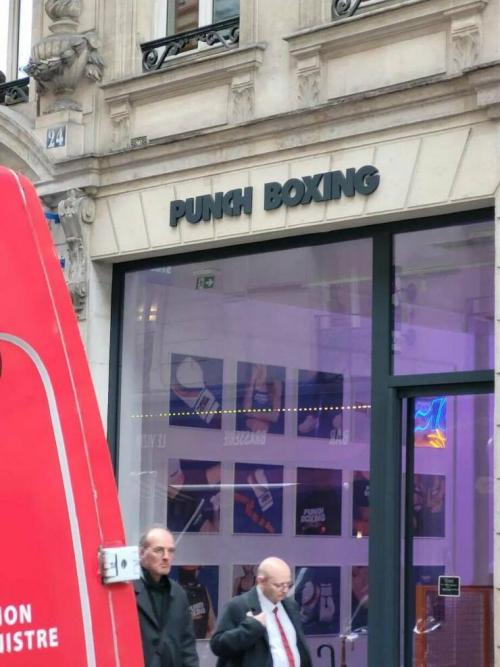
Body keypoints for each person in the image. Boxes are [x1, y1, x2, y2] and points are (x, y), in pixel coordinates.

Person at [210, 556, 312, 667]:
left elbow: (297, 646)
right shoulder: (238, 606)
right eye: (278, 585)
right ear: (260, 581)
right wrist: (250, 627)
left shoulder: (291, 606)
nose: (285, 590)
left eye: (288, 584)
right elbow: (217, 646)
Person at [134, 526, 199, 667]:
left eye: (170, 551)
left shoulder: (178, 593)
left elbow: (187, 645)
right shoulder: (127, 591)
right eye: (159, 550)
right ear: (141, 553)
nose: (166, 557)